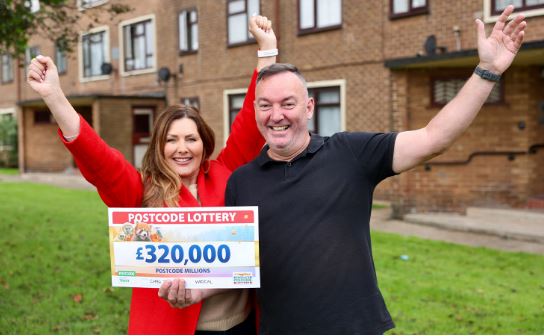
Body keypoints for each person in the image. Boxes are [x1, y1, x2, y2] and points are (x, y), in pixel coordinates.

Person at [225, 6, 527, 334]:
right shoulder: (241, 182)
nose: (276, 115)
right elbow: (238, 272)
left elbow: (433, 138)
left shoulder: (350, 153)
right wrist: (191, 288)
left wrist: (487, 71)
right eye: (266, 105)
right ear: (255, 110)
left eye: (288, 103)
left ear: (309, 107)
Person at [27, 15, 277, 335]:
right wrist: (54, 97)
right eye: (171, 140)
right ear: (158, 146)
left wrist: (267, 52)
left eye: (191, 138)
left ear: (205, 142)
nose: (182, 148)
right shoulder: (142, 190)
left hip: (240, 325)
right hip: (174, 327)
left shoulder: (226, 172)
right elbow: (99, 158)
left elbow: (251, 120)